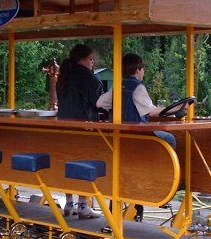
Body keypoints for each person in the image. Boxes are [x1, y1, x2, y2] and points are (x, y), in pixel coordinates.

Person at [57, 44, 105, 219]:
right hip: (84, 127)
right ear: (82, 59)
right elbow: (99, 102)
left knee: (69, 164)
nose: (93, 63)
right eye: (91, 59)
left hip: (65, 127)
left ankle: (69, 203)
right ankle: (83, 205)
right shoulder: (86, 76)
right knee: (85, 164)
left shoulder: (65, 74)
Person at [96, 53, 179, 148]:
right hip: (138, 133)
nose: (143, 71)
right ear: (137, 70)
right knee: (169, 138)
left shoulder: (117, 86)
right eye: (142, 68)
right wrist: (176, 108)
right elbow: (151, 111)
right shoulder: (138, 88)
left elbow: (99, 104)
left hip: (120, 132)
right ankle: (156, 158)